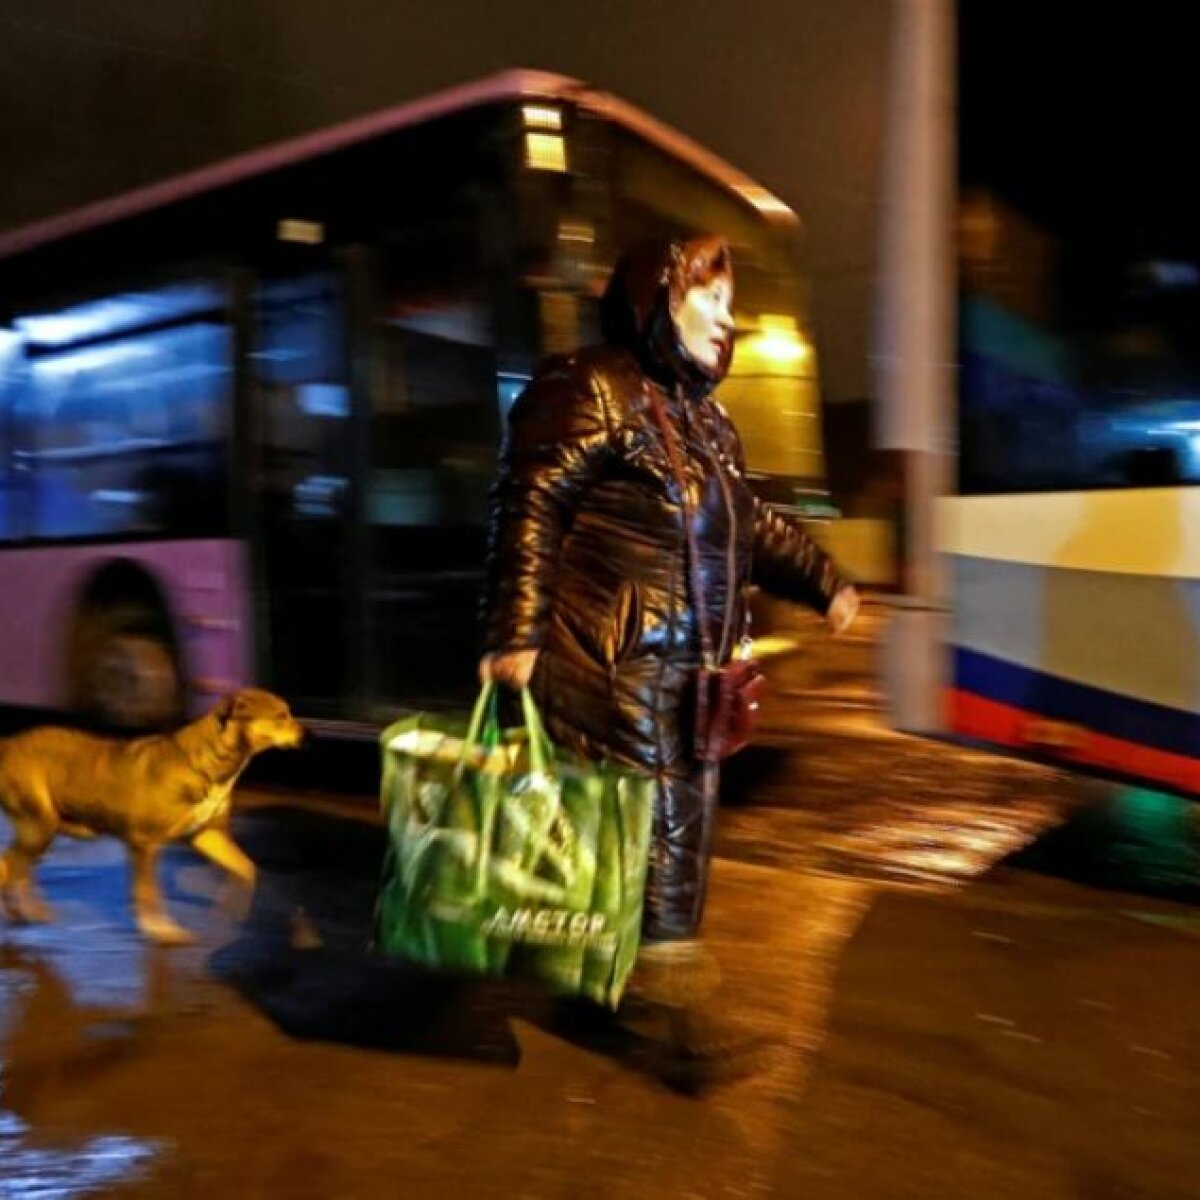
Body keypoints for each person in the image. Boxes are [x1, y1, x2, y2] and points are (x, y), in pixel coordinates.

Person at [480, 235, 858, 1072]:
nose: (729, 320)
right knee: (662, 830)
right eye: (710, 298)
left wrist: (824, 580)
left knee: (661, 826)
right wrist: (514, 631)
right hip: (610, 659)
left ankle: (600, 983)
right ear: (658, 297)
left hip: (689, 668)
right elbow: (530, 506)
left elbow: (748, 523)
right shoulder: (589, 386)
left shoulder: (704, 418)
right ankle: (684, 1032)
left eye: (729, 304)